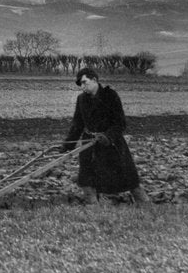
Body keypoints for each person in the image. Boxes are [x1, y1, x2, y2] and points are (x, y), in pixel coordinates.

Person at [62, 67, 150, 205]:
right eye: (80, 84)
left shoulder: (110, 96)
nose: (83, 87)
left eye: (85, 82)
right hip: (89, 143)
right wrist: (67, 145)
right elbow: (77, 124)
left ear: (94, 80)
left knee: (127, 175)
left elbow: (120, 123)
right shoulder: (81, 99)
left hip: (111, 143)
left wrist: (108, 136)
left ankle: (144, 202)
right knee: (86, 176)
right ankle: (92, 206)